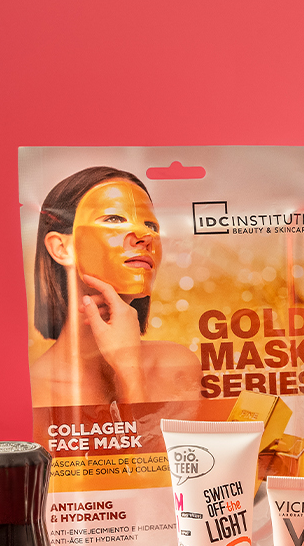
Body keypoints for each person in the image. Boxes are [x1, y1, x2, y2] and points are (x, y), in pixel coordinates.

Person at [29, 166, 199, 407]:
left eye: (151, 226)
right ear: (61, 248)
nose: (145, 236)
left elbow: (152, 435)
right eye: (114, 219)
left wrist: (130, 372)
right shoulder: (35, 390)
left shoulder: (175, 366)